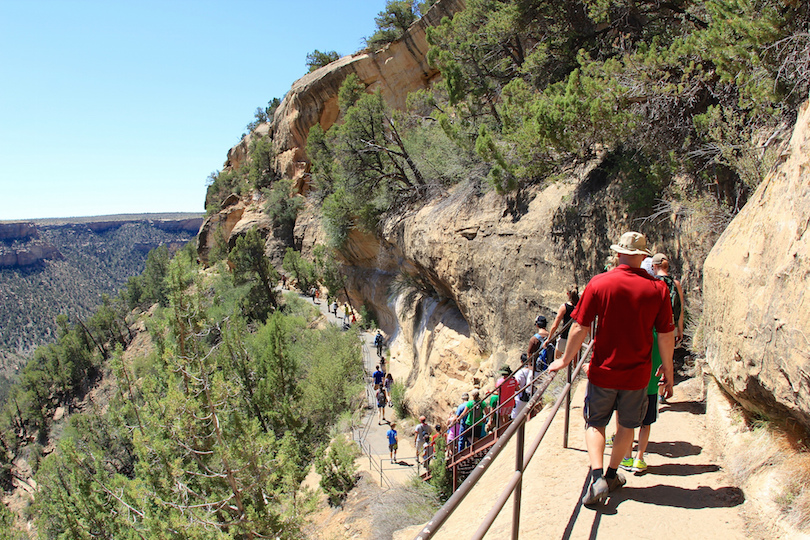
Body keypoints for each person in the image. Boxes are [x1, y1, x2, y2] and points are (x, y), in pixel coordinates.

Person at [548, 231, 675, 507]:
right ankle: (613, 474)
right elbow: (666, 334)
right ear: (643, 257)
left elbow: (580, 326)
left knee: (595, 423)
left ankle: (596, 479)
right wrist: (668, 370)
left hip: (603, 370)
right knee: (627, 425)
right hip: (638, 374)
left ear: (618, 254)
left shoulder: (599, 283)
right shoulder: (658, 290)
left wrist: (565, 359)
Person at [652, 252, 685, 346]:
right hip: (672, 325)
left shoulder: (652, 283)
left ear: (654, 266)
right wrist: (680, 328)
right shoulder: (676, 284)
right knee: (669, 355)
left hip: (656, 326)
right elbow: (680, 307)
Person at [545, 287, 580, 360]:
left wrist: (549, 338)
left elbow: (555, 325)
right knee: (575, 364)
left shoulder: (564, 307)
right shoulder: (581, 307)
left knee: (557, 360)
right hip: (577, 338)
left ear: (568, 294)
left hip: (565, 336)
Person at [511, 354, 533, 420]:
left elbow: (516, 385)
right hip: (530, 396)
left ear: (521, 361)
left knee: (515, 418)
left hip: (519, 398)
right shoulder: (532, 371)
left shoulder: (520, 373)